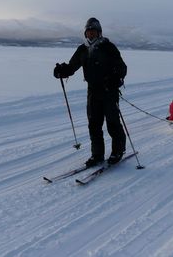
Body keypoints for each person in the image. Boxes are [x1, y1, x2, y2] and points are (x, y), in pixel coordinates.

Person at [53, 17, 127, 167]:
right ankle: (97, 155)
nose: (90, 35)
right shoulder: (82, 49)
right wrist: (62, 71)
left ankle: (117, 151)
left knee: (112, 123)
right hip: (93, 92)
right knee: (94, 125)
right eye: (88, 32)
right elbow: (72, 66)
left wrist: (116, 78)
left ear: (99, 33)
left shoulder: (108, 47)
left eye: (93, 32)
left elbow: (122, 67)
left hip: (109, 91)